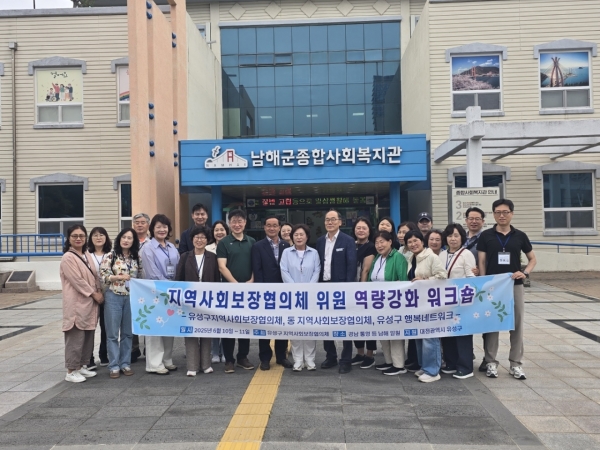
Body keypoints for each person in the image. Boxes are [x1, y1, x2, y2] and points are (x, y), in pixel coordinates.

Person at [478, 199, 536, 380]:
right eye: (497, 212)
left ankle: (515, 363)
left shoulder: (520, 236)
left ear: (512, 213)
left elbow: (532, 259)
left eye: (505, 212)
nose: (501, 215)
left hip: (514, 285)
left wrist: (524, 273)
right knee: (492, 323)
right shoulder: (486, 235)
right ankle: (490, 362)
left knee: (516, 324)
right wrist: (484, 283)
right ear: (493, 214)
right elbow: (481, 261)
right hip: (493, 287)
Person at [60, 225, 103, 383]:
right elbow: (77, 280)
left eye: (81, 236)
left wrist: (99, 291)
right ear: (69, 238)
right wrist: (94, 293)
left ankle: (81, 365)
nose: (78, 238)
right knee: (76, 335)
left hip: (90, 303)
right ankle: (71, 370)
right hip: (77, 302)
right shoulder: (68, 257)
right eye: (74, 236)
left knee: (88, 334)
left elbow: (95, 276)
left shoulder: (86, 254)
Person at [316, 209, 357, 374]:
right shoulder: (320, 241)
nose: (330, 222)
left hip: (341, 289)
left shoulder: (348, 240)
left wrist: (348, 288)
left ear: (340, 222)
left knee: (344, 324)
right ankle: (330, 356)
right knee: (326, 323)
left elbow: (351, 266)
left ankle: (346, 359)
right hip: (324, 288)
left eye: (333, 219)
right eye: (327, 219)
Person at [175, 226, 220, 377]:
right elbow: (179, 278)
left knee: (206, 332)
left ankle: (206, 364)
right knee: (191, 333)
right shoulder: (185, 256)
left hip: (207, 300)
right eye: (197, 237)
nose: (199, 240)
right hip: (189, 301)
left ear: (207, 240)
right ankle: (192, 366)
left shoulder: (212, 257)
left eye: (203, 237)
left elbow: (216, 280)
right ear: (192, 239)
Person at [405, 229, 447, 383]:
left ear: (422, 242)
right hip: (417, 303)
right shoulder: (412, 258)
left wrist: (425, 280)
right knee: (420, 335)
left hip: (430, 302)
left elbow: (442, 276)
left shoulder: (431, 257)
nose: (413, 244)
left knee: (430, 336)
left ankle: (433, 371)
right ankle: (425, 366)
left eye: (415, 240)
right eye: (409, 242)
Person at [140, 214, 180, 375]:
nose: (162, 230)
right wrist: (168, 286)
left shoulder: (171, 247)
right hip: (155, 292)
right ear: (152, 229)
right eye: (158, 227)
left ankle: (167, 359)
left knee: (168, 325)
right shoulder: (148, 248)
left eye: (165, 227)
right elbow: (152, 273)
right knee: (155, 328)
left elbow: (178, 267)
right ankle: (154, 363)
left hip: (171, 292)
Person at [251, 217, 293, 370]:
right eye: (268, 225)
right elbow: (257, 269)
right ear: (264, 227)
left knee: (282, 324)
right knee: (265, 325)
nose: (272, 228)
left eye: (275, 225)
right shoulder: (258, 246)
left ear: (279, 228)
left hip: (283, 292)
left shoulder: (286, 245)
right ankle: (265, 358)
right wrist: (262, 291)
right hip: (266, 292)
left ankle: (281, 356)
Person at [217, 209, 256, 373]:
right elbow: (222, 266)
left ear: (245, 223)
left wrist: (251, 280)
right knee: (229, 325)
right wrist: (235, 284)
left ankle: (242, 357)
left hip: (248, 290)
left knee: (245, 324)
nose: (237, 224)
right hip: (229, 291)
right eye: (234, 221)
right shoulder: (224, 243)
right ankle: (229, 359)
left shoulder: (252, 241)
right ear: (229, 223)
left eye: (240, 221)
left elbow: (256, 264)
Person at [100, 228, 141, 379]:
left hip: (130, 297)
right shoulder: (110, 256)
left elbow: (140, 275)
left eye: (130, 238)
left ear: (133, 241)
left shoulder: (136, 257)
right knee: (112, 334)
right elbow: (103, 276)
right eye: (124, 237)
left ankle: (125, 363)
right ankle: (114, 366)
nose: (126, 240)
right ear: (119, 239)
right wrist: (117, 277)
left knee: (127, 333)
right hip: (113, 296)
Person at [280, 224, 321, 371]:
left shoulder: (314, 253)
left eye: (301, 234)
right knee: (295, 328)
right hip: (292, 296)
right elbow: (284, 271)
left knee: (309, 327)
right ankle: (297, 360)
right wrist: (295, 289)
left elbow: (317, 271)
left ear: (307, 237)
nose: (298, 237)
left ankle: (310, 360)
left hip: (310, 296)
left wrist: (308, 289)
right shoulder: (286, 252)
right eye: (296, 235)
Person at [368, 231, 408, 375]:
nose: (379, 245)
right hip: (378, 303)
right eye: (377, 242)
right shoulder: (377, 258)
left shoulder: (398, 257)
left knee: (395, 333)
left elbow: (403, 281)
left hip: (393, 302)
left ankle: (399, 365)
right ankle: (388, 361)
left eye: (382, 242)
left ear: (390, 242)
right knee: (383, 332)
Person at [439, 223, 476, 379]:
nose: (452, 239)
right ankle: (451, 362)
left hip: (462, 301)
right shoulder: (442, 255)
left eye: (456, 235)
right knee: (447, 332)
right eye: (449, 236)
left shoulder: (466, 254)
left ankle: (466, 367)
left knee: (462, 333)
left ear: (462, 238)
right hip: (445, 300)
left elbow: (471, 277)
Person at [350, 217, 378, 369]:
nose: (361, 230)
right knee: (355, 323)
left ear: (369, 231)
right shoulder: (351, 244)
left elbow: (365, 270)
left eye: (364, 228)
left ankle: (369, 355)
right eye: (358, 228)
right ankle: (359, 353)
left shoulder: (371, 247)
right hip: (351, 289)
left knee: (367, 323)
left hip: (363, 291)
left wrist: (361, 291)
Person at [86, 227, 111, 369]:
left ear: (106, 237)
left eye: (101, 235)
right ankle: (88, 357)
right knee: (90, 327)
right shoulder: (86, 255)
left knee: (106, 327)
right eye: (95, 235)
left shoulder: (111, 254)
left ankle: (104, 354)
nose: (98, 237)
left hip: (108, 294)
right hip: (92, 296)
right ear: (91, 238)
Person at [205, 219, 229, 363]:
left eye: (222, 229)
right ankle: (214, 352)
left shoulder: (230, 245)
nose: (219, 232)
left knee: (226, 322)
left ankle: (225, 351)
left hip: (227, 288)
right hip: (212, 289)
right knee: (213, 321)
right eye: (216, 230)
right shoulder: (207, 248)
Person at [131, 213, 150, 363]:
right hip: (132, 285)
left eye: (143, 222)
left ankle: (148, 348)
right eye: (137, 222)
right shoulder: (128, 240)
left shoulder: (152, 242)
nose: (140, 225)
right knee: (133, 317)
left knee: (148, 315)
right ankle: (133, 348)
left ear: (148, 225)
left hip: (148, 285)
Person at [465, 207, 485, 274]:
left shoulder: (486, 238)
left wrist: (480, 270)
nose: (474, 221)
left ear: (482, 221)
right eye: (471, 219)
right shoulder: (461, 238)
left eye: (477, 219)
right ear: (466, 221)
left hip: (477, 277)